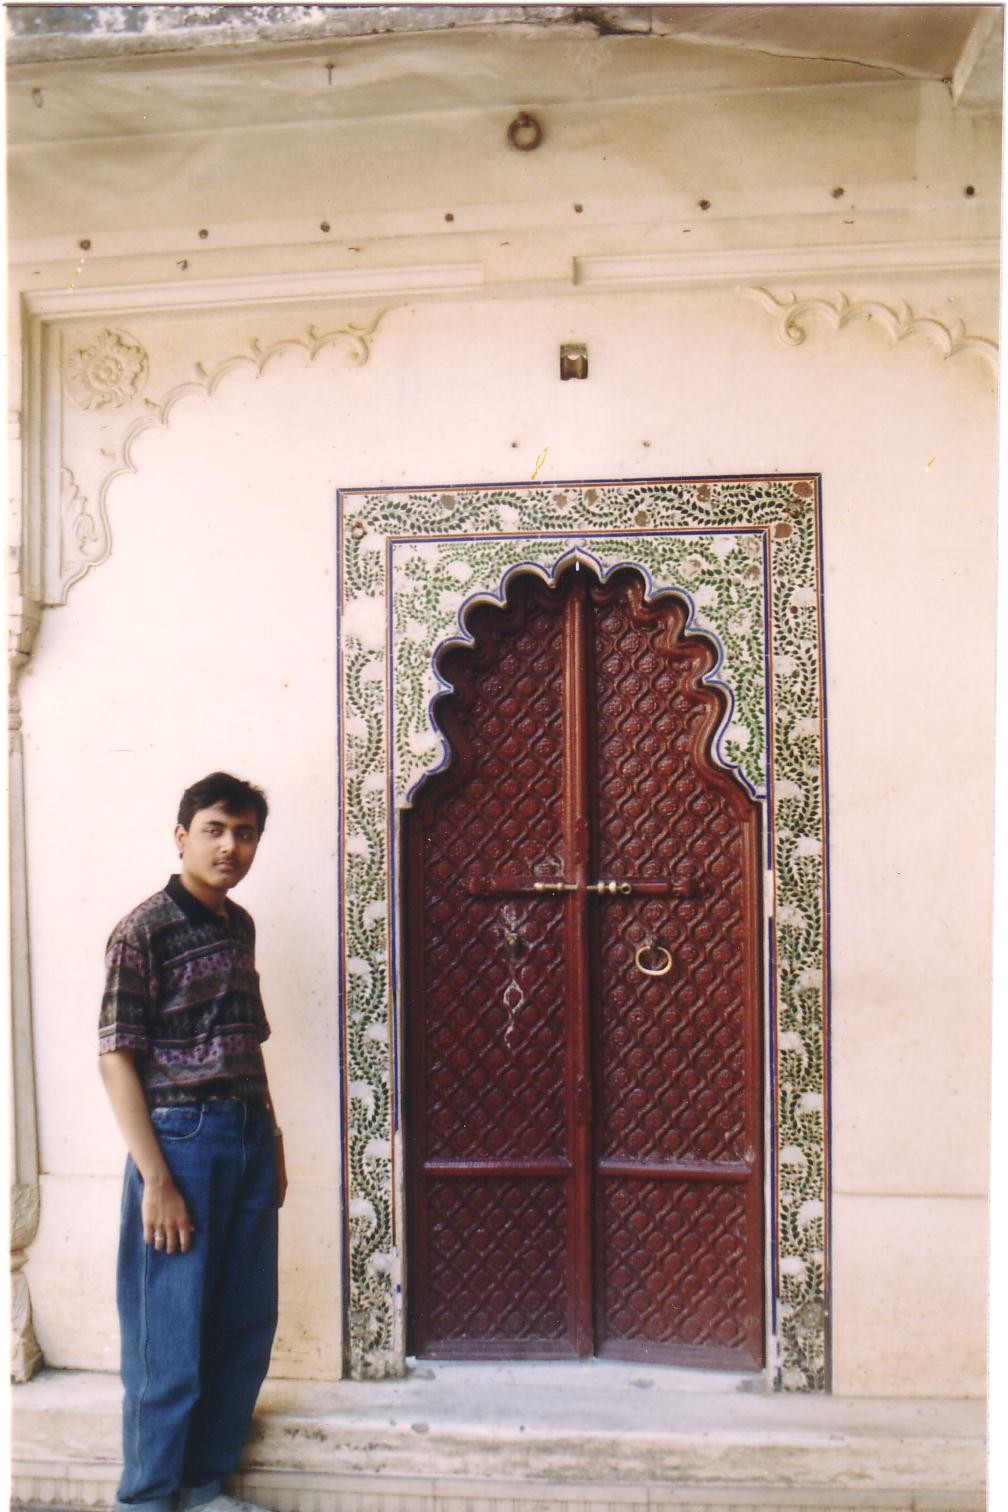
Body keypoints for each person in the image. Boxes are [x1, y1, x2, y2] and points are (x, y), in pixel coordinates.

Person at [98, 772, 286, 1512]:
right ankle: (146, 1501)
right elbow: (116, 1054)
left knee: (243, 1328)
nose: (229, 846)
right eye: (214, 829)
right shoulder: (142, 929)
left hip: (244, 1136)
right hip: (180, 1141)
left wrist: (270, 1135)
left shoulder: (238, 925)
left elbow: (246, 1039)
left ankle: (203, 1487)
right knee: (167, 1341)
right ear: (182, 836)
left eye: (244, 834)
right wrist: (158, 1181)